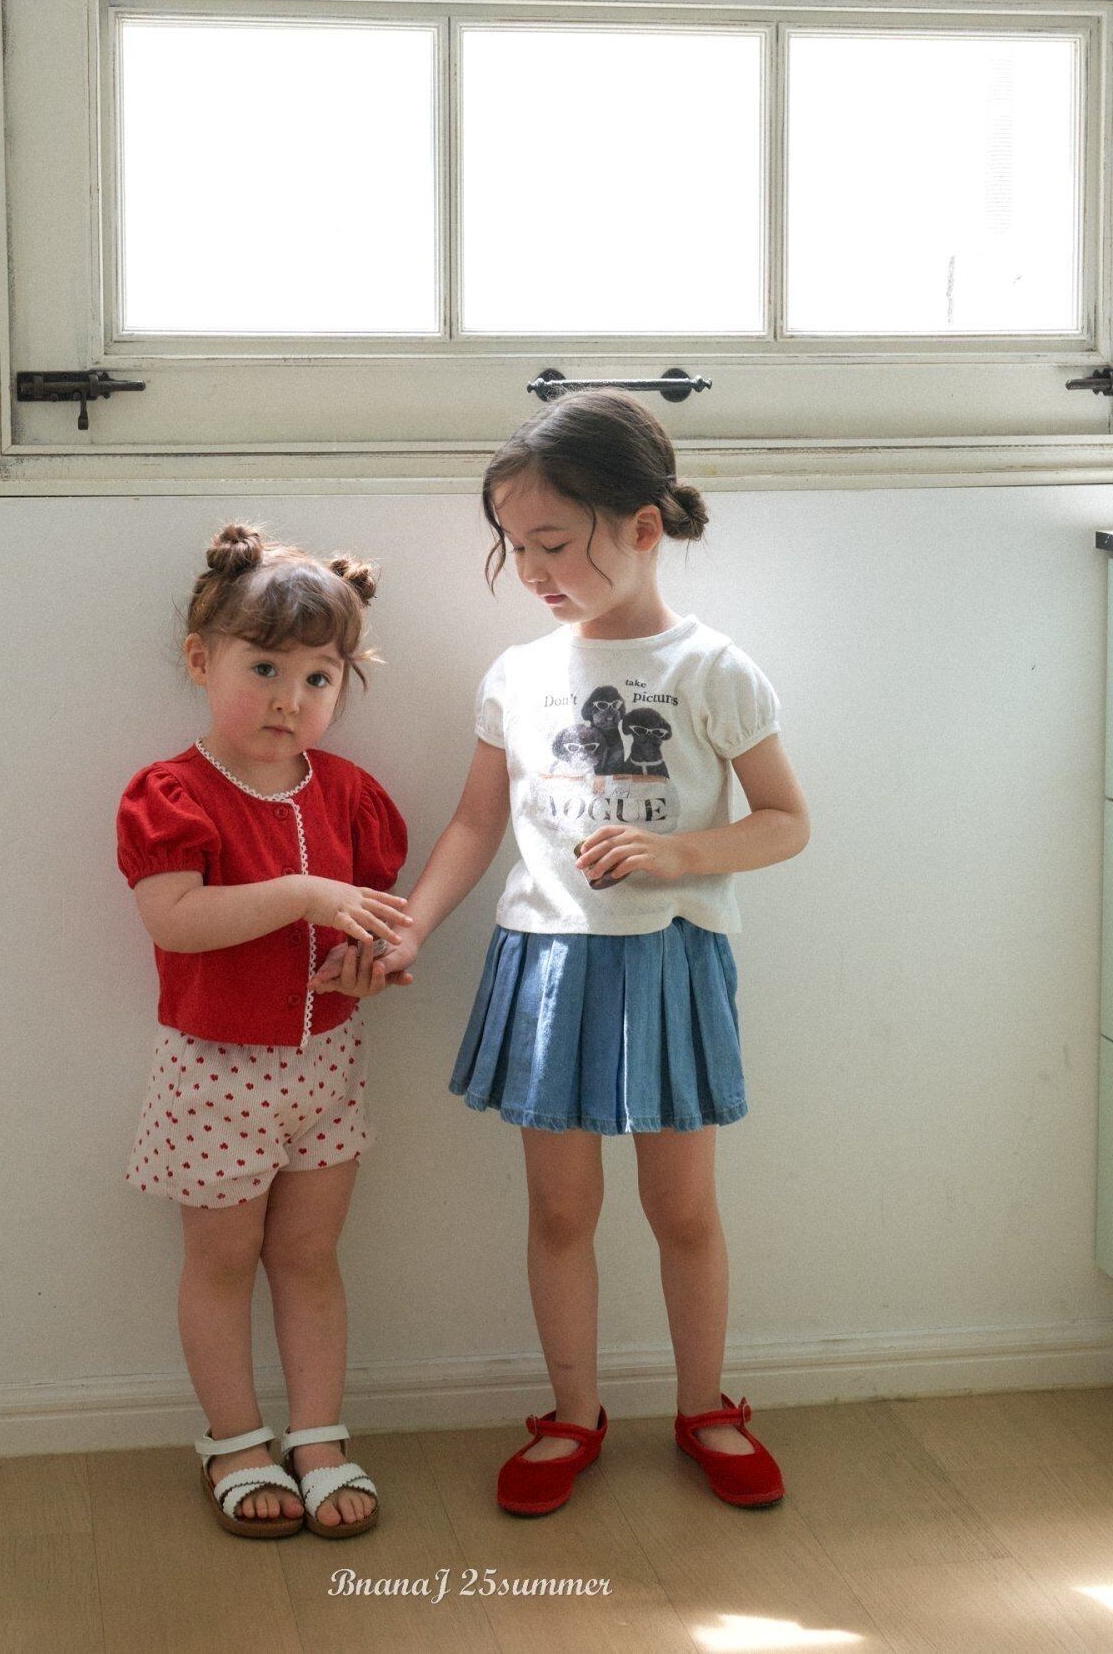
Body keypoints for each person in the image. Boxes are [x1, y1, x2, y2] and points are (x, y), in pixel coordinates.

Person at [323, 389, 810, 1515]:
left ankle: (704, 1407)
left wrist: (677, 855)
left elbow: (787, 820)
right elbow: (475, 823)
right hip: (544, 963)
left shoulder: (711, 669)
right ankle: (572, 1413)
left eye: (552, 542)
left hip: (669, 960)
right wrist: (408, 925)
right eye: (515, 547)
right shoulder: (516, 674)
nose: (532, 570)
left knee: (682, 1210)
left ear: (641, 527)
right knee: (557, 1212)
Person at [116, 522, 411, 1539]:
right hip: (214, 1072)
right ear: (202, 661)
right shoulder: (173, 795)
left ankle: (318, 1435)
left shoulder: (353, 797)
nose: (291, 699)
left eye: (319, 677)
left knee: (311, 1256)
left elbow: (377, 922)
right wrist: (300, 892)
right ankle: (236, 1441)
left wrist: (372, 963)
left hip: (329, 1069)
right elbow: (173, 919)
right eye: (265, 668)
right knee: (222, 1261)